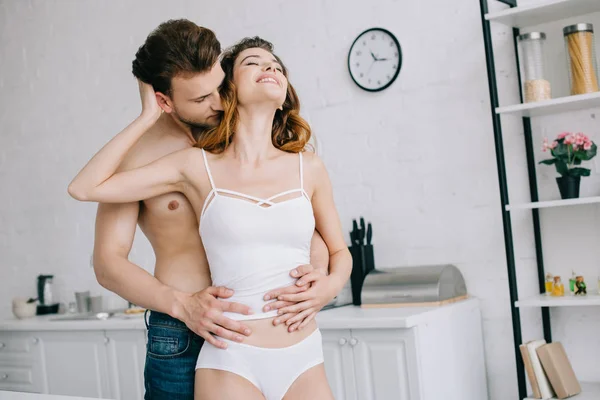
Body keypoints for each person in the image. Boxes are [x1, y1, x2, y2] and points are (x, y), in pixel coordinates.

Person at [68, 36, 351, 399]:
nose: (216, 102)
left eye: (218, 88)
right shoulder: (163, 161)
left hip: (285, 336)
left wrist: (324, 275)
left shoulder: (285, 159)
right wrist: (181, 304)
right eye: (202, 98)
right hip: (184, 330)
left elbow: (302, 234)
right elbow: (105, 256)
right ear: (165, 101)